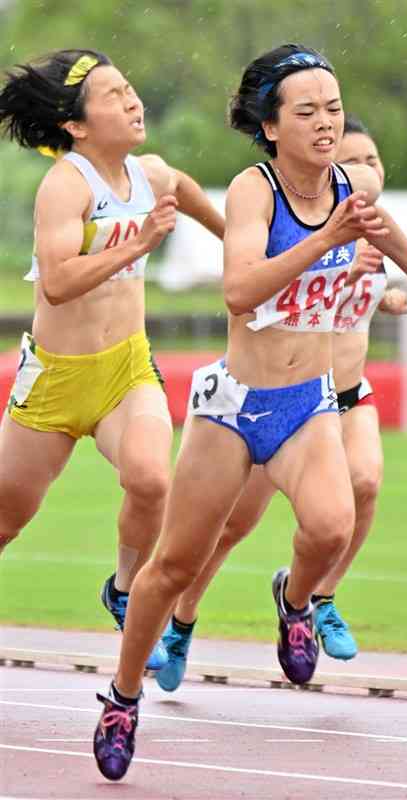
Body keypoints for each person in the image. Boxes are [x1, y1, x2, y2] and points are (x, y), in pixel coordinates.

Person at [92, 43, 407, 782]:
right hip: (234, 408)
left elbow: (382, 226)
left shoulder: (344, 185)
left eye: (332, 109)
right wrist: (324, 242)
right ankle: (122, 694)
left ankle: (294, 600)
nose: (325, 124)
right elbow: (239, 291)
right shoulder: (254, 189)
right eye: (306, 112)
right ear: (272, 127)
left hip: (307, 406)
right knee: (172, 565)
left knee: (333, 524)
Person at [154, 114, 407, 692]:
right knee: (229, 527)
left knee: (362, 486)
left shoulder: (373, 228)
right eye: (354, 161)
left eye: (373, 161)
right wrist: (345, 275)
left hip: (343, 393)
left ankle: (317, 598)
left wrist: (394, 293)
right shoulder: (292, 219)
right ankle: (182, 621)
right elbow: (280, 297)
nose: (365, 172)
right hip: (275, 395)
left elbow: (368, 298)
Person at [0, 49, 225, 670]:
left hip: (126, 368)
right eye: (114, 95)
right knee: (5, 521)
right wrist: (145, 241)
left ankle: (124, 592)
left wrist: (239, 246)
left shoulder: (148, 173)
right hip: (55, 380)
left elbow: (180, 186)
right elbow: (58, 283)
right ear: (75, 124)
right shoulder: (64, 186)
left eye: (131, 89)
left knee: (153, 479)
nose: (133, 102)